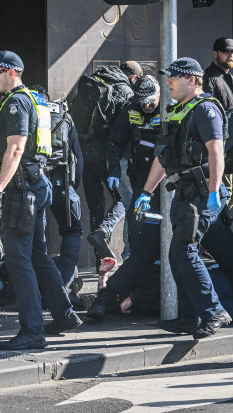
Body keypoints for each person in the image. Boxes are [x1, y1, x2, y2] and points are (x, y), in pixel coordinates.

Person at [0, 50, 82, 349]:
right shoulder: (29, 99)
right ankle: (64, 314)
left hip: (21, 192)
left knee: (18, 260)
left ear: (11, 72)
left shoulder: (16, 103)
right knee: (37, 255)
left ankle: (32, 332)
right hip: (35, 187)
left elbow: (15, 149)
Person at [136, 58, 232, 339]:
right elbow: (162, 158)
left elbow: (216, 153)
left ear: (192, 80)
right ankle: (190, 318)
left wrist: (214, 192)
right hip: (184, 193)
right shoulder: (178, 111)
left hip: (203, 193)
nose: (168, 83)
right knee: (176, 255)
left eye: (174, 78)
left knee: (183, 251)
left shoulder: (206, 109)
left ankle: (214, 311)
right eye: (168, 78)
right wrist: (145, 192)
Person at [87, 75, 163, 320]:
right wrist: (112, 171)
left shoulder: (169, 109)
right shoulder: (131, 108)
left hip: (165, 185)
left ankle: (135, 294)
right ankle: (119, 294)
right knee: (139, 236)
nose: (147, 107)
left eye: (150, 102)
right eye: (142, 102)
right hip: (141, 179)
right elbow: (114, 142)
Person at [79, 61, 141, 268]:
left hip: (85, 156)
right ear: (133, 77)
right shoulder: (124, 90)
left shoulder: (92, 82)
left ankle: (100, 265)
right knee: (125, 199)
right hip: (108, 158)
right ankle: (104, 231)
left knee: (96, 207)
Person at [29, 85, 84, 305]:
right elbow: (76, 157)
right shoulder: (65, 117)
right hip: (61, 182)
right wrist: (73, 187)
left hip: (34, 184)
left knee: (37, 240)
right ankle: (62, 282)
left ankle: (42, 288)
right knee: (72, 231)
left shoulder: (27, 113)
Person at [203, 37, 233, 208]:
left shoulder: (228, 78)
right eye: (226, 51)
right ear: (216, 53)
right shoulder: (209, 78)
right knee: (224, 202)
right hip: (223, 153)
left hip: (228, 151)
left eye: (232, 52)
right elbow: (209, 118)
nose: (230, 55)